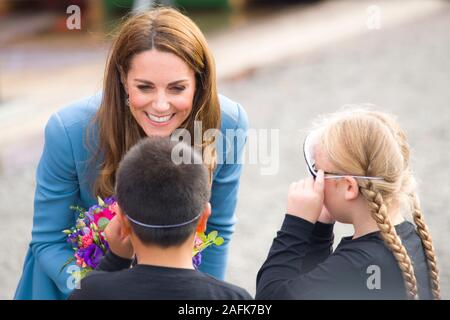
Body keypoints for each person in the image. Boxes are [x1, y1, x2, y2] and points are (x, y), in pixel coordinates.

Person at [15, 7, 248, 299]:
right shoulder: (68, 131)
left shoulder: (228, 124)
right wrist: (98, 291)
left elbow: (217, 230)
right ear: (123, 78)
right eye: (145, 87)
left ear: (199, 83)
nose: (161, 105)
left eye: (177, 88)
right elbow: (48, 241)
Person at [256, 108, 440, 300]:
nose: (313, 181)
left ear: (349, 187)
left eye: (318, 172)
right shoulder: (412, 241)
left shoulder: (357, 264)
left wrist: (296, 225)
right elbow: (311, 288)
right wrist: (320, 229)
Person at [70, 137, 252, 300]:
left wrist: (116, 260)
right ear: (204, 219)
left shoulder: (92, 292)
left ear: (123, 221)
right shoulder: (234, 298)